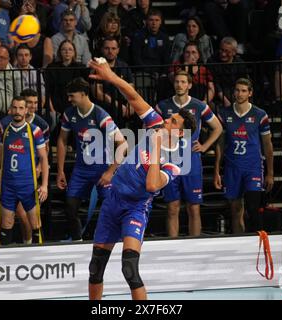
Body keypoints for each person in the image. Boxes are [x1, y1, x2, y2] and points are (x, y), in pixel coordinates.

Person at [86, 59, 197, 300]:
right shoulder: (156, 123)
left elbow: (151, 185)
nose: (166, 120)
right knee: (95, 268)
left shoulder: (175, 162)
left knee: (129, 269)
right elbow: (134, 97)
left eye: (173, 121)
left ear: (179, 132)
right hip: (113, 200)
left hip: (135, 208)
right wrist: (111, 77)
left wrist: (156, 147)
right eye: (169, 118)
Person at [56, 77, 126, 241]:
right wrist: (60, 171)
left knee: (111, 207)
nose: (69, 99)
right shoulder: (69, 113)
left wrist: (110, 171)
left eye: (72, 95)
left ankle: (114, 240)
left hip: (102, 168)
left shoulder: (100, 115)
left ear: (83, 94)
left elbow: (123, 145)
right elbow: (62, 140)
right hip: (81, 169)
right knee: (70, 207)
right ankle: (78, 241)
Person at [155, 70, 222, 237]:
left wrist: (205, 146)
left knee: (194, 207)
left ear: (190, 85)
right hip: (170, 162)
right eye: (177, 81)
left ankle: (195, 247)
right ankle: (172, 245)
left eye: (183, 82)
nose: (180, 85)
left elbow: (218, 127)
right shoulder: (163, 106)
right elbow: (147, 127)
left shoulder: (199, 106)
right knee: (172, 207)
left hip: (191, 162)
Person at [0, 95, 49, 245]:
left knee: (35, 225)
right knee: (6, 225)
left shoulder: (35, 131)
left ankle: (37, 258)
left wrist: (44, 185)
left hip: (28, 185)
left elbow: (44, 158)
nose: (17, 111)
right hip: (8, 185)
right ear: (10, 109)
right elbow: (1, 157)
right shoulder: (4, 129)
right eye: (15, 107)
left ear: (26, 110)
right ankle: (5, 262)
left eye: (21, 108)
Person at [214, 78, 274, 234]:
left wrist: (270, 173)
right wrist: (216, 171)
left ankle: (258, 248)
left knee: (253, 208)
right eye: (237, 90)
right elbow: (220, 144)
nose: (239, 94)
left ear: (250, 93)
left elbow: (267, 144)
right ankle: (239, 244)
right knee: (235, 210)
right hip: (232, 167)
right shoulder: (224, 113)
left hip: (253, 167)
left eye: (243, 91)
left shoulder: (260, 114)